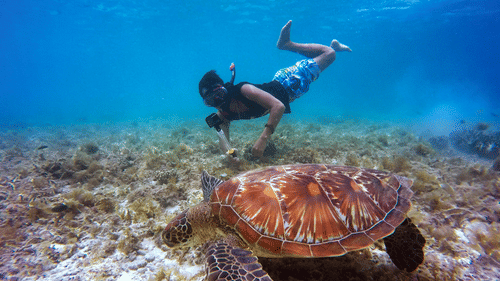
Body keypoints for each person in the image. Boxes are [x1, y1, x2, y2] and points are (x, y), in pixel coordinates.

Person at [199, 20, 351, 162]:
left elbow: (278, 106)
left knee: (329, 55)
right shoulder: (223, 115)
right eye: (210, 101)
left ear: (225, 88)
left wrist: (263, 139)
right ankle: (334, 46)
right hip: (283, 84)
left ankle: (287, 44)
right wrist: (231, 155)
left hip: (290, 83)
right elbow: (224, 142)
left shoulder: (244, 90)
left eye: (219, 95)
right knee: (322, 60)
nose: (218, 103)